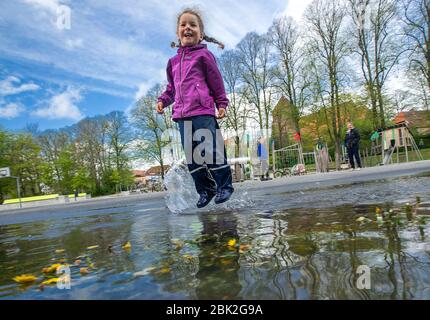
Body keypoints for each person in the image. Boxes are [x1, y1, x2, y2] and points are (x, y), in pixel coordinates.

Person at [157, 9, 234, 208]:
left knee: (211, 150)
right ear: (177, 32)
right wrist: (163, 101)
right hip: (182, 116)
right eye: (183, 25)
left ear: (200, 34)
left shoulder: (204, 55)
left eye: (193, 25)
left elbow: (216, 81)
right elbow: (172, 88)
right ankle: (206, 189)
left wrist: (221, 103)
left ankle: (224, 186)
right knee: (193, 157)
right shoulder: (172, 62)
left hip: (203, 111)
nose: (188, 28)